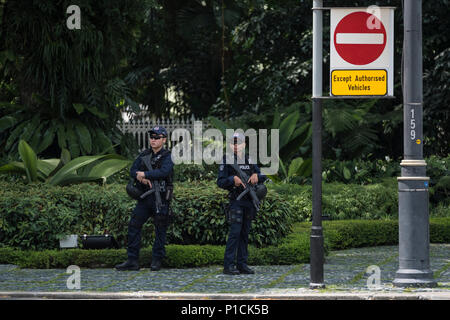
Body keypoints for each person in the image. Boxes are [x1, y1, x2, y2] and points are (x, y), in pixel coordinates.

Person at [116, 126, 174, 271]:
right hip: (144, 198)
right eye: (151, 137)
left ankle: (156, 260)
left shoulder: (168, 156)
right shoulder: (144, 154)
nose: (153, 140)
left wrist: (145, 174)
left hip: (160, 198)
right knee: (134, 226)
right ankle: (132, 260)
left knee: (160, 229)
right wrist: (139, 177)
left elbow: (164, 172)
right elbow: (132, 170)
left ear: (164, 140)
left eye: (156, 137)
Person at [217, 132, 266, 275]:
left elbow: (262, 176)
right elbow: (220, 181)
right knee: (235, 234)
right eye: (233, 143)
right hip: (236, 201)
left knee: (245, 233)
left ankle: (242, 264)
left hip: (249, 201)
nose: (236, 146)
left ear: (244, 144)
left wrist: (257, 176)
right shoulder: (227, 160)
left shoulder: (249, 159)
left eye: (238, 143)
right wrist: (232, 179)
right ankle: (229, 265)